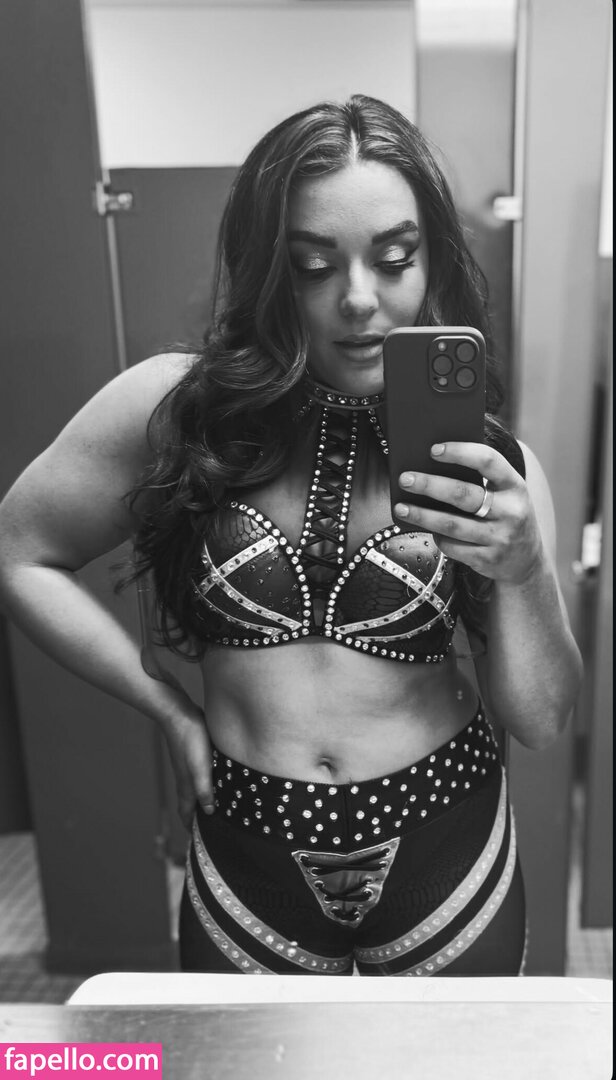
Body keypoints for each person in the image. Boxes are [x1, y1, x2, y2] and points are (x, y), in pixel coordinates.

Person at [0, 95, 582, 976]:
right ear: (270, 270)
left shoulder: (491, 464)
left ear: (431, 259)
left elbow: (540, 718)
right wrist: (165, 706)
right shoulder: (178, 410)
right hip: (247, 854)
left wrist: (527, 565)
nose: (359, 300)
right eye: (314, 265)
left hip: (447, 844)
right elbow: (19, 551)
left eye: (395, 258)